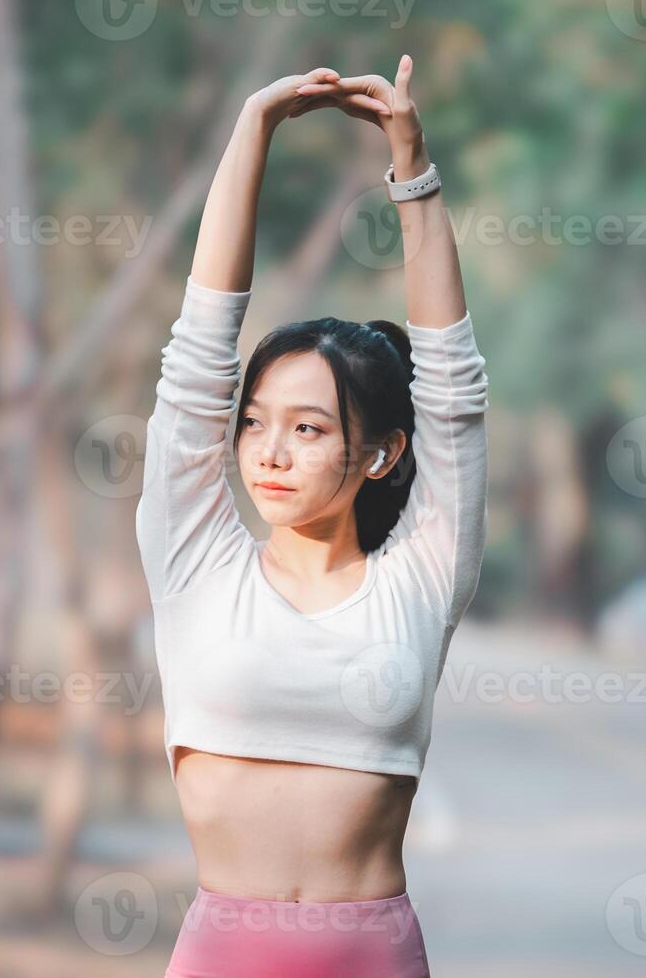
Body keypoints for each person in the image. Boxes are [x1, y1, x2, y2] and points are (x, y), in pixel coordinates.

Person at [135, 55, 489, 977]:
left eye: (307, 427)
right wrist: (251, 132)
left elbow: (451, 393)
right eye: (254, 425)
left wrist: (412, 167)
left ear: (380, 453)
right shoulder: (194, 562)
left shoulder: (422, 575)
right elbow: (199, 352)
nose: (271, 451)